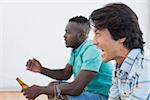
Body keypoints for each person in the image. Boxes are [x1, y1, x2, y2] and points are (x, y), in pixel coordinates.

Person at [23, 16, 112, 100]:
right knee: (53, 85)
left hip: (102, 96)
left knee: (60, 93)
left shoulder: (91, 49)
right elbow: (65, 74)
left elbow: (76, 88)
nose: (64, 36)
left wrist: (40, 90)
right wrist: (41, 69)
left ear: (80, 35)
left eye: (68, 32)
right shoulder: (76, 49)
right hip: (88, 93)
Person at [89, 3, 150, 100]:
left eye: (98, 34)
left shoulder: (145, 66)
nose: (94, 41)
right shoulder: (120, 66)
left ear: (121, 35)